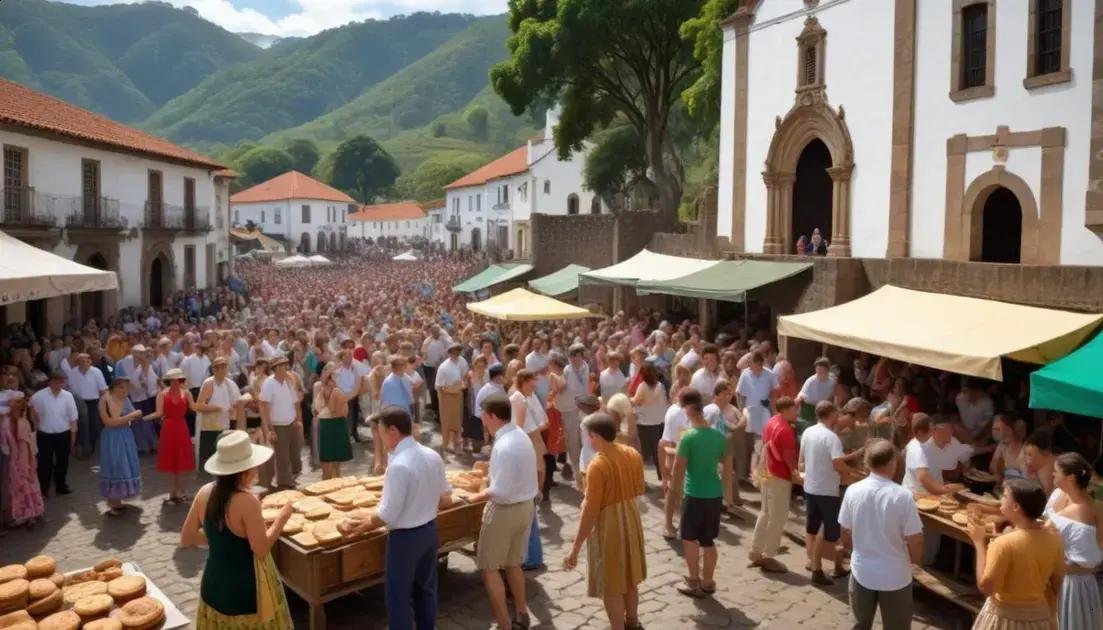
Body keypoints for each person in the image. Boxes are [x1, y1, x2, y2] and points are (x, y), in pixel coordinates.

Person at [341, 406, 453, 630]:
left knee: (398, 597)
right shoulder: (432, 455)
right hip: (429, 532)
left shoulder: (400, 465)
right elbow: (446, 498)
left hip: (405, 538)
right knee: (426, 590)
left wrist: (360, 526)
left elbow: (387, 515)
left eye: (380, 431)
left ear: (392, 430)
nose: (379, 437)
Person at [181, 431, 292, 629]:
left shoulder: (204, 491)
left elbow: (187, 537)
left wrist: (223, 540)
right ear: (245, 470)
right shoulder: (246, 501)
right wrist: (282, 518)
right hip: (244, 592)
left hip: (213, 585)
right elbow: (261, 548)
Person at [563, 412, 646, 630]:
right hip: (630, 515)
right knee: (629, 577)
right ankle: (632, 622)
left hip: (609, 524)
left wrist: (575, 548)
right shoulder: (632, 453)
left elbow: (590, 510)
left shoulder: (597, 465)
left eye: (588, 435)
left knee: (611, 583)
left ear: (594, 436)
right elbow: (638, 489)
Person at [460, 394, 537, 630]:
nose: (482, 420)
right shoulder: (520, 435)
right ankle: (522, 613)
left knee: (490, 568)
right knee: (513, 563)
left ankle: (504, 624)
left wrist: (472, 497)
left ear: (492, 416)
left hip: (504, 512)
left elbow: (499, 490)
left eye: (483, 415)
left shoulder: (503, 445)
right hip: (526, 508)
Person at [838, 439, 924, 630]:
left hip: (862, 571)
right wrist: (915, 562)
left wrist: (852, 549)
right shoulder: (903, 496)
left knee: (860, 625)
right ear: (891, 463)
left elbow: (845, 530)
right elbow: (915, 540)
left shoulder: (853, 491)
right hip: (895, 574)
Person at [967, 478, 1064, 630]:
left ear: (1016, 506)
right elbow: (1057, 584)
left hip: (1005, 619)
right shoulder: (1054, 539)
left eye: (1004, 497)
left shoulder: (1004, 544)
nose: (1001, 500)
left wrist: (979, 544)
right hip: (1039, 619)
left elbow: (987, 588)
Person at [670, 388, 727, 597]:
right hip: (714, 494)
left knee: (689, 538)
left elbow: (678, 469)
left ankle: (694, 580)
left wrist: (674, 493)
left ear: (689, 409)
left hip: (694, 494)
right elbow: (725, 466)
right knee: (708, 540)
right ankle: (709, 581)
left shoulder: (689, 437)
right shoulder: (718, 436)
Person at [799, 400, 855, 585]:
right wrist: (849, 473)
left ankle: (822, 564)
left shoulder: (808, 431)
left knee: (815, 527)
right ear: (831, 414)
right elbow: (837, 463)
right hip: (826, 489)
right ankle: (817, 569)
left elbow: (803, 457)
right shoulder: (831, 438)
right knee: (827, 530)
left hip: (811, 486)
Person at [1044, 453, 1103, 630]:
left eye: (1056, 472)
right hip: (1087, 583)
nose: (1052, 474)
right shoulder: (1098, 507)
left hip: (1068, 583)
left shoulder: (1062, 517)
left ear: (1069, 478)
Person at [749, 396, 799, 574]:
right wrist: (796, 473)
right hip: (778, 475)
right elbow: (789, 457)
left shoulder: (771, 421)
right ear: (785, 410)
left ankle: (756, 551)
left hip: (766, 472)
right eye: (794, 409)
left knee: (765, 512)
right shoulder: (785, 430)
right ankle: (768, 555)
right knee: (778, 516)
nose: (796, 411)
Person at [146, 368, 197, 503]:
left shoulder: (186, 393)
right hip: (168, 428)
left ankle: (180, 490)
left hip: (181, 427)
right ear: (169, 381)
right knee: (170, 460)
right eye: (173, 380)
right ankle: (172, 490)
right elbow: (158, 413)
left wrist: (210, 405)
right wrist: (144, 418)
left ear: (181, 380)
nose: (175, 382)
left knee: (182, 459)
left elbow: (194, 407)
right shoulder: (161, 394)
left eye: (178, 380)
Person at [98, 377, 143, 516]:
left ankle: (118, 500)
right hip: (112, 437)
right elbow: (108, 422)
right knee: (115, 465)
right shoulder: (105, 400)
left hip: (125, 435)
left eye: (126, 388)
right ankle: (112, 502)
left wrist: (134, 416)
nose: (125, 390)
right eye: (122, 387)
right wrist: (131, 416)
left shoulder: (126, 399)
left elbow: (135, 415)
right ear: (115, 388)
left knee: (126, 464)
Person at [29, 371, 78, 496]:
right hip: (45, 434)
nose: (58, 384)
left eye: (61, 381)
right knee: (45, 462)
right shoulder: (39, 396)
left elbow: (73, 418)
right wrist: (36, 425)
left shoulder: (68, 396)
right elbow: (31, 408)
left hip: (63, 433)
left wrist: (72, 439)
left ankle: (60, 486)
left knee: (63, 461)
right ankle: (43, 488)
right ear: (50, 381)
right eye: (56, 381)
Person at [258, 356, 302, 489]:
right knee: (282, 457)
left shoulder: (289, 381)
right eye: (283, 365)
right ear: (276, 368)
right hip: (278, 425)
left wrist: (299, 420)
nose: (286, 368)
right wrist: (269, 428)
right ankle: (285, 484)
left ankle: (290, 479)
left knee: (295, 454)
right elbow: (263, 405)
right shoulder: (269, 383)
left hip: (292, 423)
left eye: (286, 365)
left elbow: (296, 403)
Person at [736, 351, 778, 489]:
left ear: (760, 364)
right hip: (749, 411)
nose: (750, 367)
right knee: (748, 444)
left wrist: (774, 409)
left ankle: (758, 476)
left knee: (761, 443)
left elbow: (775, 391)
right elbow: (739, 394)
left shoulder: (769, 374)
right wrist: (741, 410)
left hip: (763, 411)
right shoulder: (745, 374)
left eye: (752, 365)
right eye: (749, 364)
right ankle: (747, 475)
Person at [195, 358, 243, 474]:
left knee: (224, 458)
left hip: (225, 425)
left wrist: (233, 408)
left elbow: (237, 403)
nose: (223, 370)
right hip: (210, 428)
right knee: (210, 460)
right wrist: (218, 408)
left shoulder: (230, 384)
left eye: (224, 367)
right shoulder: (208, 384)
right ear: (214, 370)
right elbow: (199, 405)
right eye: (219, 368)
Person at [5, 393, 44, 526]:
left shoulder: (20, 423)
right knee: (26, 486)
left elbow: (25, 447)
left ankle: (27, 514)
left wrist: (26, 462)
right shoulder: (18, 421)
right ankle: (31, 513)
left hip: (20, 461)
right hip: (19, 459)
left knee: (23, 486)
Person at [314, 363, 352, 480]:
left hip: (336, 424)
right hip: (328, 424)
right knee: (326, 461)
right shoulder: (320, 388)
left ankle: (335, 483)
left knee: (335, 462)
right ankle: (328, 484)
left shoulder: (336, 391)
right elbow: (320, 408)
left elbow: (341, 410)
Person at [630, 362, 668, 481]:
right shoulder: (660, 386)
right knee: (658, 454)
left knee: (643, 454)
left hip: (645, 424)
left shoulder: (643, 386)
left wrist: (628, 398)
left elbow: (636, 402)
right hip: (658, 423)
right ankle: (662, 477)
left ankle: (640, 480)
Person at [559, 344, 590, 481]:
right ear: (569, 359)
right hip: (569, 409)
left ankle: (586, 466)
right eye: (573, 358)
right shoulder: (566, 371)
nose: (576, 360)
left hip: (583, 406)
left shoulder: (585, 367)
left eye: (578, 357)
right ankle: (576, 469)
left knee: (586, 436)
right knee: (573, 440)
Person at [435, 343, 467, 457]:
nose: (455, 354)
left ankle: (457, 446)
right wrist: (442, 401)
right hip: (446, 396)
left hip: (458, 394)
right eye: (453, 352)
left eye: (457, 351)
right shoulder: (444, 367)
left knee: (458, 422)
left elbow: (465, 375)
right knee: (447, 422)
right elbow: (439, 386)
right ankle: (444, 446)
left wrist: (460, 386)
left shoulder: (462, 361)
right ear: (449, 353)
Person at [796, 357, 836, 437]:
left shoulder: (832, 381)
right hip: (809, 409)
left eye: (822, 371)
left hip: (824, 408)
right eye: (817, 371)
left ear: (827, 370)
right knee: (807, 432)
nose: (819, 374)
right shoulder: (811, 381)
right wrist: (796, 402)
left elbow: (833, 395)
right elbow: (801, 396)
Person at [989, 414, 1028, 481]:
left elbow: (1026, 477)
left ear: (1009, 430)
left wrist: (1003, 472)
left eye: (998, 429)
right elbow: (992, 468)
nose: (995, 432)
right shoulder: (1001, 445)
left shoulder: (1026, 450)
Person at [1025, 428, 1058, 497]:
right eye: (1026, 454)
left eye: (1030, 455)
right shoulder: (1038, 466)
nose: (1027, 459)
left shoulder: (1048, 466)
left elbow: (1047, 494)